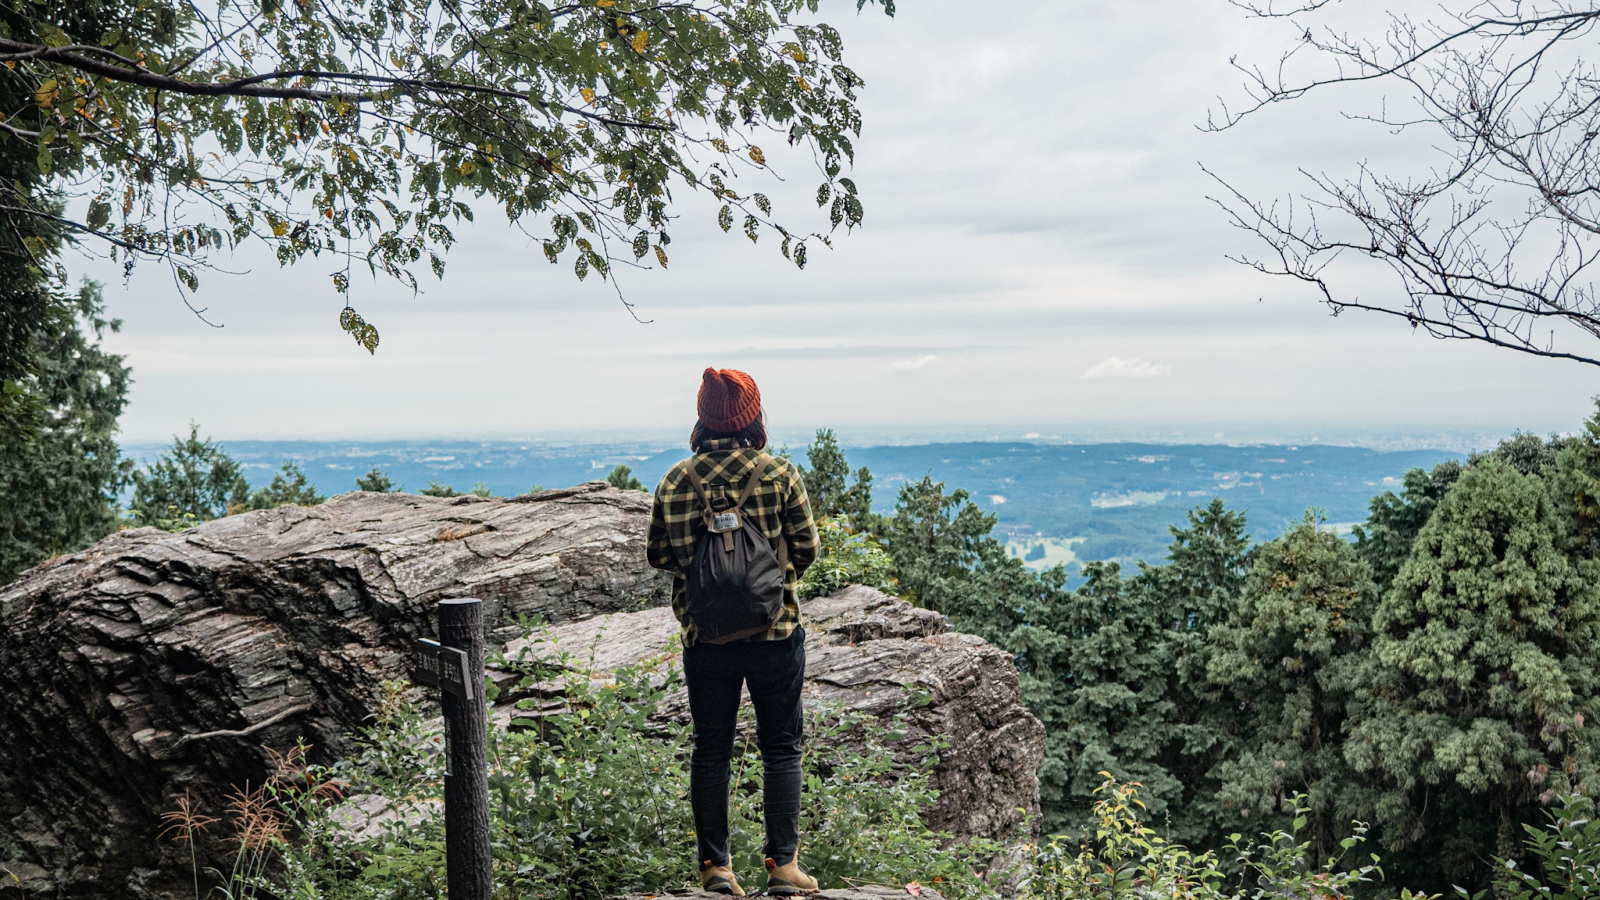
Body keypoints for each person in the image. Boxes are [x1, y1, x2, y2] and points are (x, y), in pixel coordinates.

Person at [647, 368, 820, 897]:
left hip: (707, 638)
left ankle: (716, 870)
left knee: (711, 748)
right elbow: (808, 548)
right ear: (752, 416)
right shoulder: (779, 474)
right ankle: (783, 869)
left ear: (703, 417)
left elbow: (659, 556)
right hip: (776, 632)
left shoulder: (677, 481)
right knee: (781, 746)